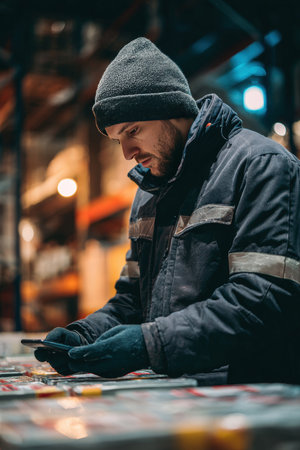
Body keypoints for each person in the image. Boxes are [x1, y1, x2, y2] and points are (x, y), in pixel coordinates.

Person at [35, 37, 300, 385]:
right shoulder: (150, 193)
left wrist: (149, 344)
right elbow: (132, 301)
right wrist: (84, 335)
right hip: (181, 391)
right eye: (118, 139)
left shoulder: (260, 166)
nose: (128, 152)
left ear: (173, 111)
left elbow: (261, 300)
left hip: (252, 393)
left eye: (133, 131)